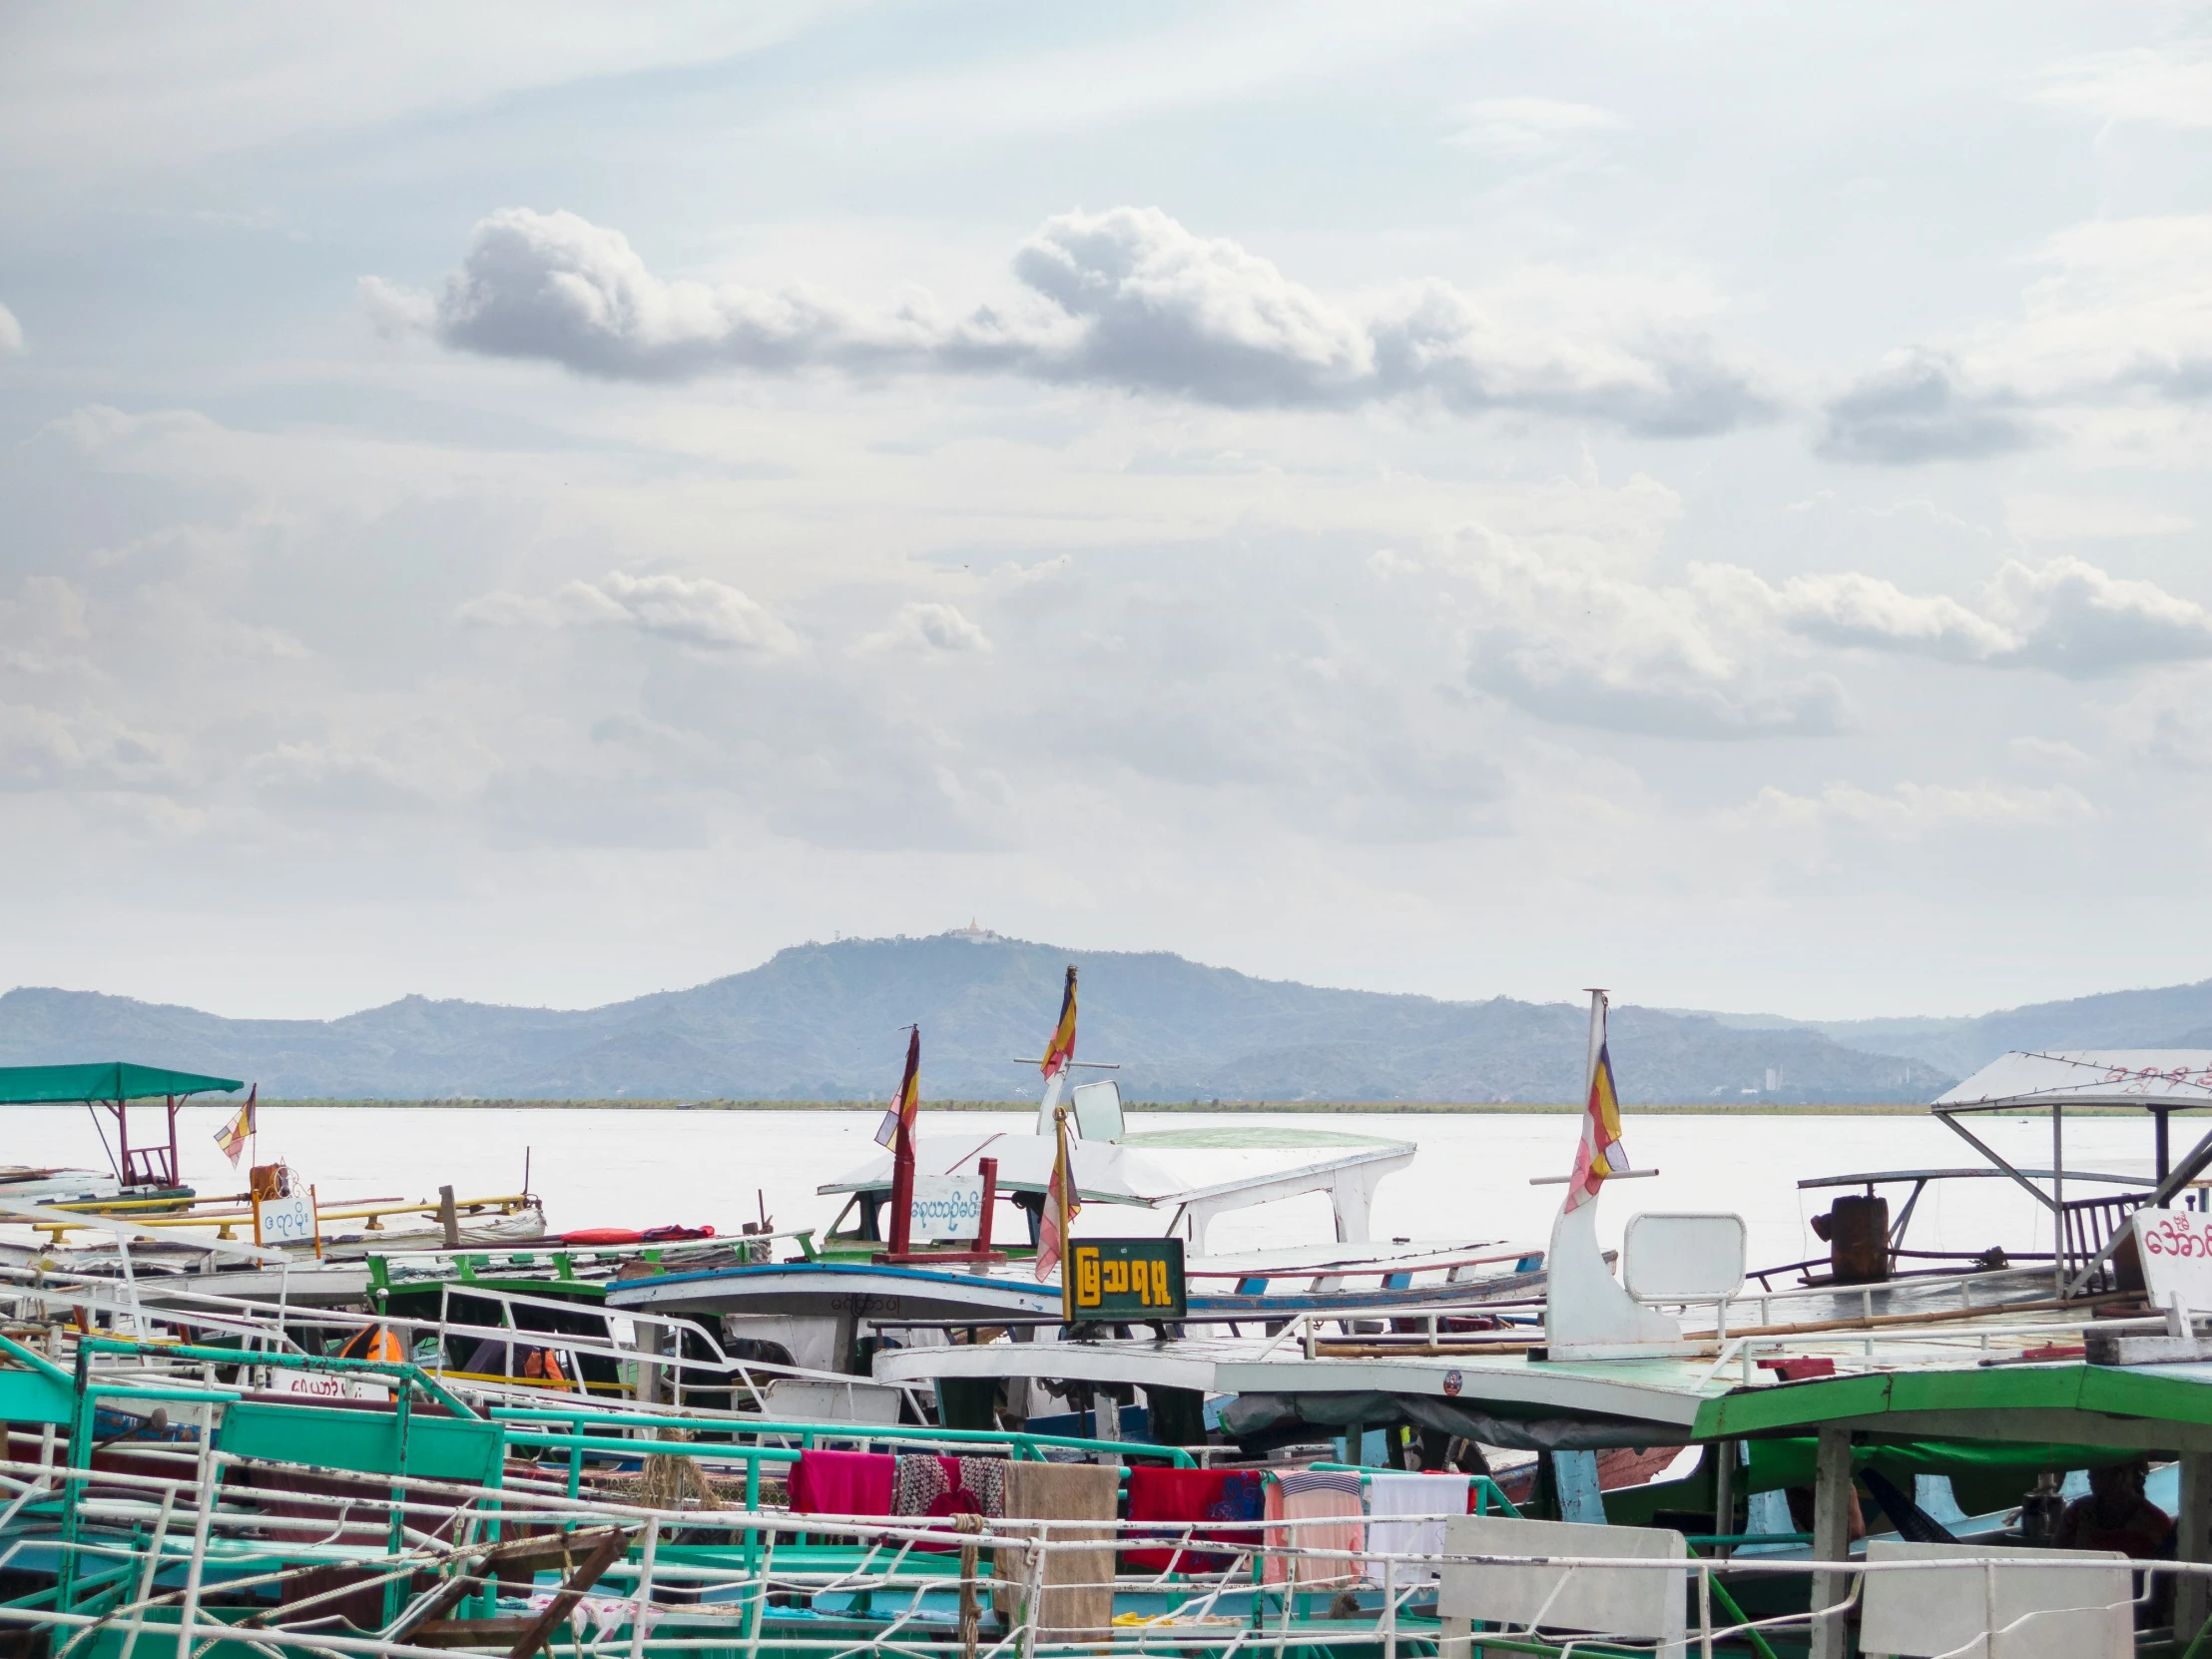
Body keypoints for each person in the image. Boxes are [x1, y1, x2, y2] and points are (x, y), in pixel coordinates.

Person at [2054, 1460, 2174, 1558]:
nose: (2089, 1476)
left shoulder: (2155, 1522)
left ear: (2123, 1476)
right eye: (2091, 1470)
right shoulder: (2077, 1513)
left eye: (2099, 1471)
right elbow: (2055, 1557)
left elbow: (2164, 1577)